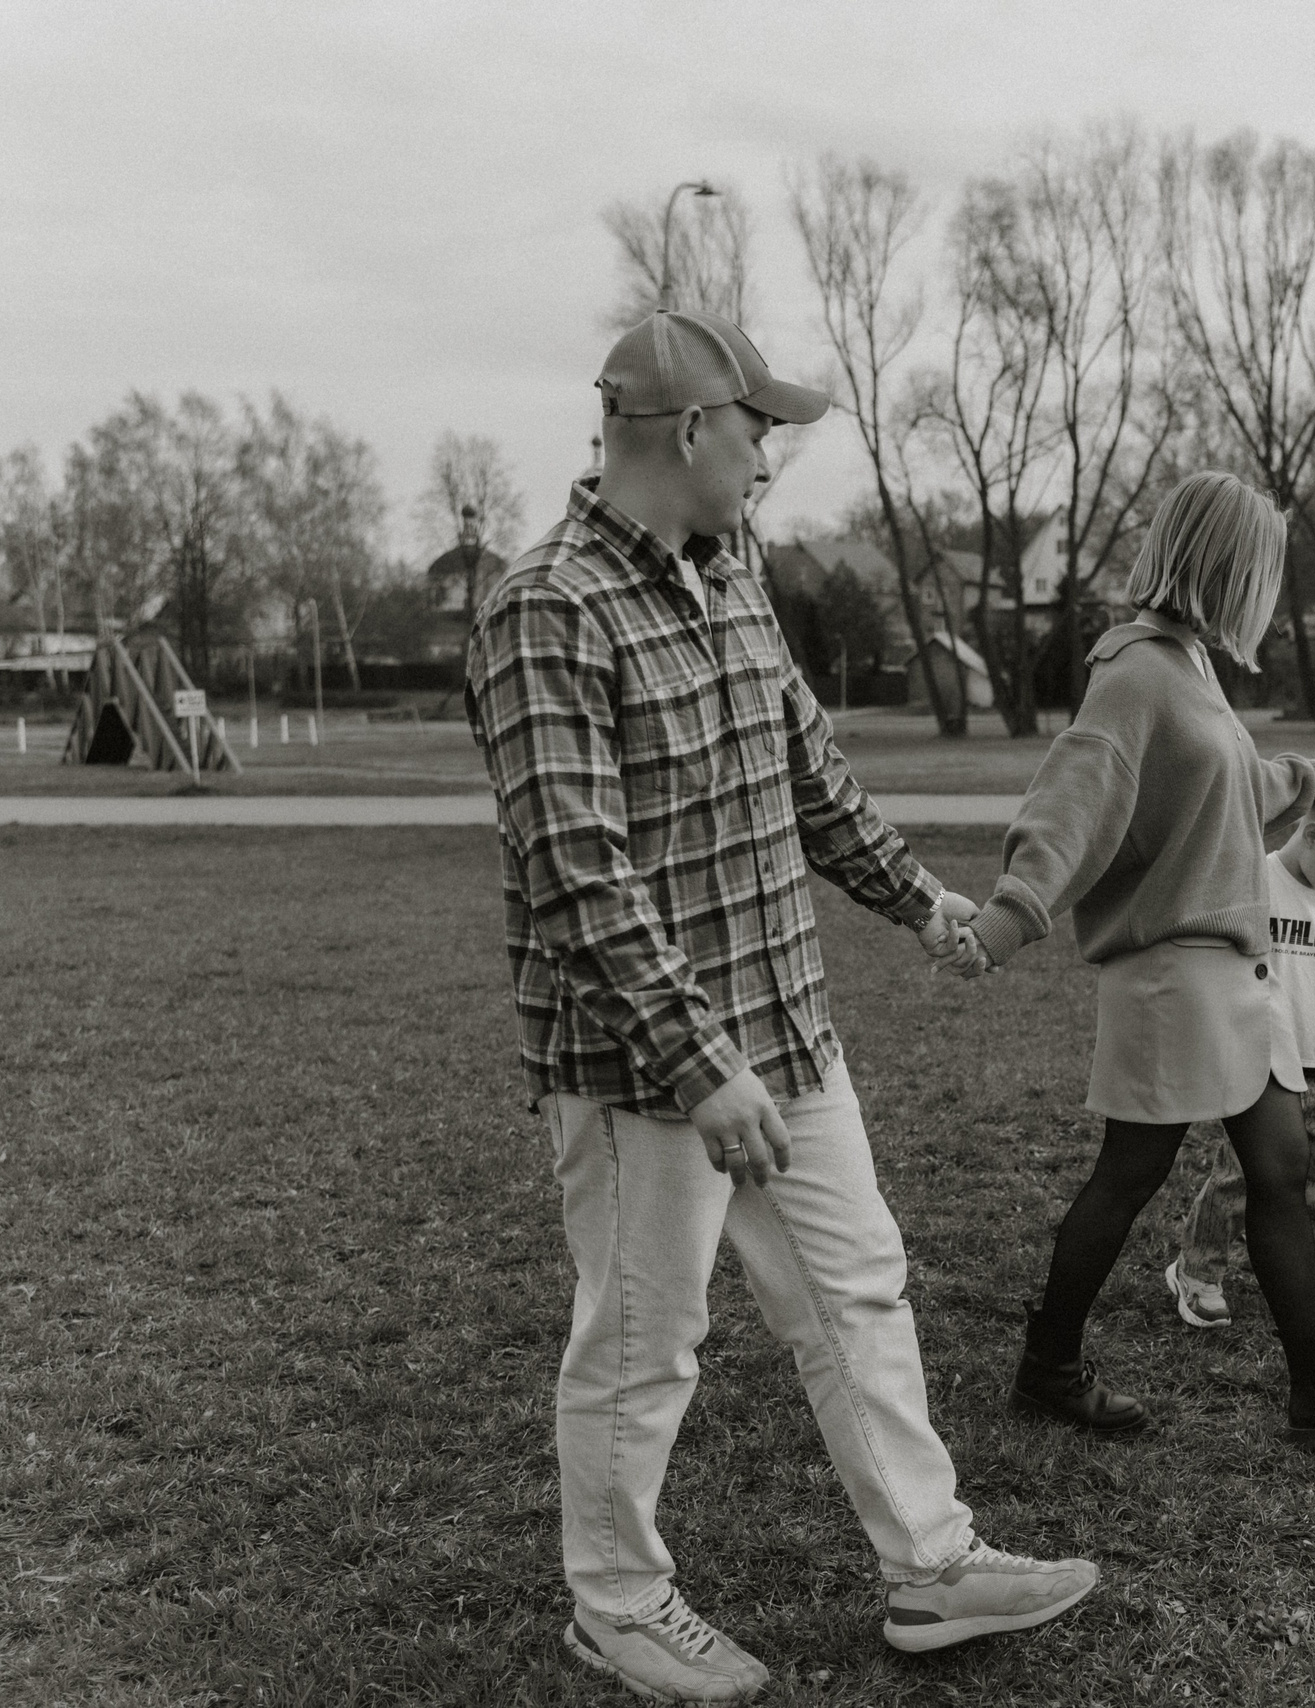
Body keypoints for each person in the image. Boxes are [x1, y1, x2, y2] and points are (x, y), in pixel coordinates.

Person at [466, 307, 1096, 1705]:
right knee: (643, 1344)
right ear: (690, 427)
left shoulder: (732, 572)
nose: (770, 455)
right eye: (759, 427)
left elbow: (806, 778)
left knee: (858, 1291)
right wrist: (699, 1068)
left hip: (788, 1030)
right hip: (644, 1071)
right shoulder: (545, 607)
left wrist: (922, 902)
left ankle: (930, 1566)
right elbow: (579, 869)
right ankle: (618, 1605)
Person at [947, 470, 1315, 1451]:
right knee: (1130, 1174)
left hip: (1228, 974)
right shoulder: (1134, 675)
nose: (1269, 590)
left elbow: (1227, 793)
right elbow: (1075, 801)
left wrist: (1309, 777)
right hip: (1171, 974)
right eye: (1264, 571)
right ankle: (1047, 1367)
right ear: (1227, 566)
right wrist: (1009, 914)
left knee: (1282, 1169)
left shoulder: (1189, 667)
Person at [1165, 772, 1315, 1331]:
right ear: (1311, 834)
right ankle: (1196, 1272)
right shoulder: (1256, 882)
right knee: (1241, 1175)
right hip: (1265, 1065)